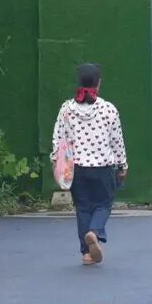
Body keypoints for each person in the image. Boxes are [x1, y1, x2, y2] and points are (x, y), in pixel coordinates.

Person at [51, 63, 127, 266]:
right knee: (104, 203)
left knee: (83, 207)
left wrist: (55, 162)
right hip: (102, 167)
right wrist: (122, 165)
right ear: (98, 83)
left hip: (76, 168)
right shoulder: (108, 109)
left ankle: (86, 253)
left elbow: (58, 139)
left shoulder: (66, 109)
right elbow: (116, 141)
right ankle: (95, 232)